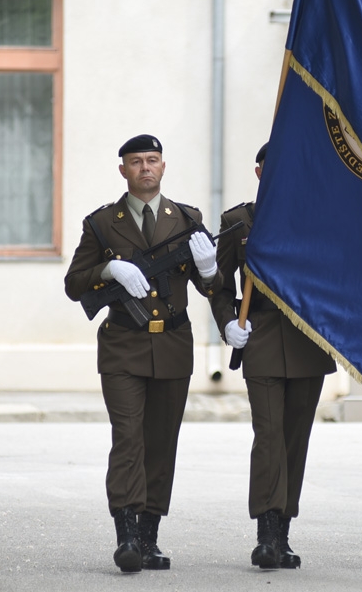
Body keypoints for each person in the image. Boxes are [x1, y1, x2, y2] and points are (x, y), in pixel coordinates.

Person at [63, 134, 222, 574]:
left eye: (152, 160)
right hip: (123, 346)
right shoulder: (101, 224)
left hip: (172, 345)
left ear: (163, 167)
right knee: (128, 438)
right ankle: (126, 534)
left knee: (161, 442)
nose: (145, 168)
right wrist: (107, 268)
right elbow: (74, 283)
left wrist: (209, 269)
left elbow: (213, 288)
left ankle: (150, 537)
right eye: (136, 162)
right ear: (123, 170)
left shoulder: (187, 219)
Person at [211, 142, 336, 569]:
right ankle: (265, 532)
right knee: (269, 436)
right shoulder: (239, 221)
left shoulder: (318, 218)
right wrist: (228, 321)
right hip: (261, 335)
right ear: (260, 171)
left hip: (307, 338)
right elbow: (218, 282)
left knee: (294, 440)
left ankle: (283, 532)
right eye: (272, 166)